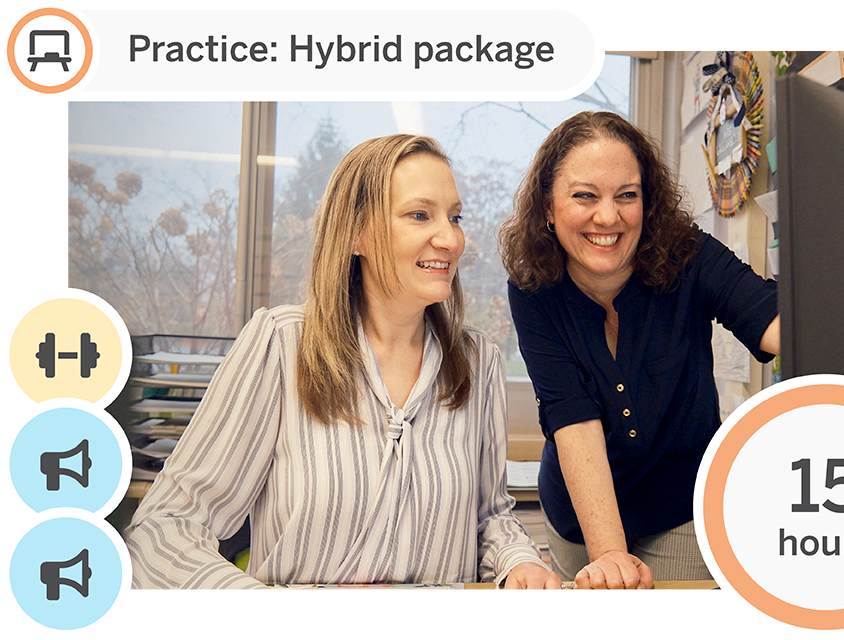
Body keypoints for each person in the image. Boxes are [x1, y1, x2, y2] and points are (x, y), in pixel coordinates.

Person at [126, 134, 561, 598]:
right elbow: (163, 529)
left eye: (454, 217)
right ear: (357, 232)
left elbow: (488, 517)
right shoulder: (281, 344)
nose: (451, 238)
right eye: (420, 215)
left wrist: (519, 560)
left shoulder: (479, 362)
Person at [499, 111, 779, 597]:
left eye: (627, 195)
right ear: (548, 205)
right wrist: (607, 554)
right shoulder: (533, 286)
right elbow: (572, 418)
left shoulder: (689, 255)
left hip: (681, 506)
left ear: (647, 203)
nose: (607, 217)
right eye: (585, 195)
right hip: (578, 509)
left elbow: (774, 321)